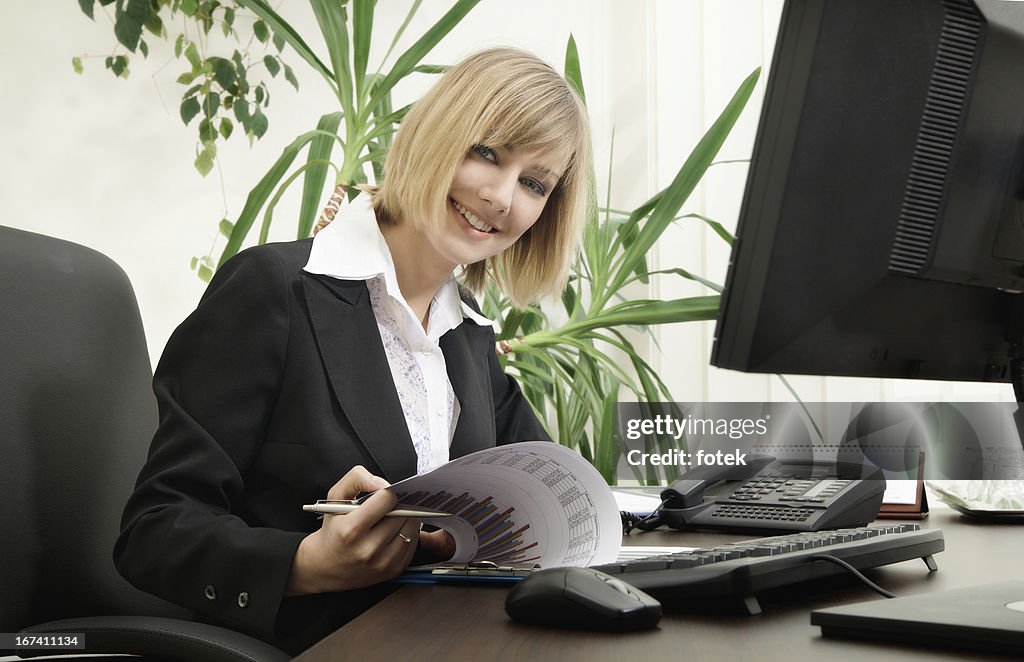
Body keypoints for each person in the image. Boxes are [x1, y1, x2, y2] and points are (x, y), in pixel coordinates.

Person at [113, 47, 592, 654]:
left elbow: (547, 496)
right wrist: (308, 561)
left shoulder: (468, 336)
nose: (501, 196)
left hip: (451, 637)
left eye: (533, 183)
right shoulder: (273, 290)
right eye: (487, 153)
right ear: (438, 133)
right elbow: (153, 533)